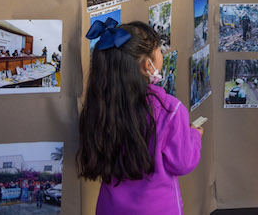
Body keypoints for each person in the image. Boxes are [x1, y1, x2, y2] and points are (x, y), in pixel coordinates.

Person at [78, 20, 202, 214]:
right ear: (147, 65)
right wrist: (194, 136)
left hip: (110, 208)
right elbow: (183, 163)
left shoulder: (99, 107)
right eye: (159, 48)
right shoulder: (170, 109)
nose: (162, 52)